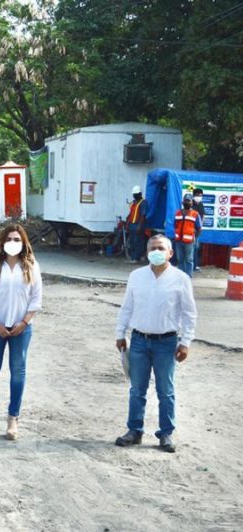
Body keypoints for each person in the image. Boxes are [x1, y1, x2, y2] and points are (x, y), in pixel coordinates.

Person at [115, 234, 197, 453]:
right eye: (153, 248)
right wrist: (120, 333)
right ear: (147, 251)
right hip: (139, 341)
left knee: (165, 390)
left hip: (167, 342)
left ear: (170, 253)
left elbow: (189, 314)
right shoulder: (136, 276)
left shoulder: (180, 279)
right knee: (137, 390)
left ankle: (166, 433)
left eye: (161, 248)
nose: (156, 251)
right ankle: (135, 430)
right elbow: (127, 307)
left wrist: (185, 342)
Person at [0, 223, 42, 441]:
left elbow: (36, 299)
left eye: (17, 239)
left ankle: (13, 419)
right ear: (2, 242)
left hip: (21, 329)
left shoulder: (31, 266)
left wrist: (23, 323)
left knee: (18, 372)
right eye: (9, 239)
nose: (12, 243)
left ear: (23, 242)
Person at [173, 193, 201, 277]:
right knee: (180, 259)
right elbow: (175, 225)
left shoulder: (195, 214)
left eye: (189, 201)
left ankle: (188, 276)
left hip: (189, 241)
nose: (187, 202)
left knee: (189, 259)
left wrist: (194, 238)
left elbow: (199, 228)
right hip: (178, 241)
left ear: (192, 203)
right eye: (185, 201)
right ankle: (181, 276)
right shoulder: (177, 213)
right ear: (182, 202)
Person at [126, 185, 148, 262]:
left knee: (138, 242)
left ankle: (137, 258)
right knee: (132, 242)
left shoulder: (143, 202)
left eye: (136, 194)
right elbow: (131, 213)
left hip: (138, 225)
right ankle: (133, 257)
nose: (134, 195)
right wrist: (127, 222)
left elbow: (143, 215)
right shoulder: (134, 202)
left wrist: (139, 226)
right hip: (132, 225)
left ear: (140, 194)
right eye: (134, 194)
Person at [191, 189, 205, 272]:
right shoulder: (190, 204)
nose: (199, 197)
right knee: (191, 248)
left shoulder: (201, 204)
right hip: (190, 229)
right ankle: (190, 265)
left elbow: (203, 216)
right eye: (197, 195)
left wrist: (200, 226)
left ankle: (195, 265)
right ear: (193, 195)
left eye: (200, 195)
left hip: (198, 229)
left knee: (196, 247)